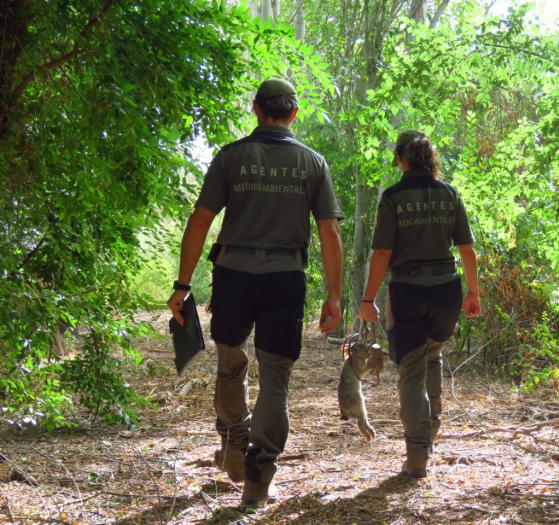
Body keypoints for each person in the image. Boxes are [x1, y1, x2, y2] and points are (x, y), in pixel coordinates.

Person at [167, 78, 343, 507]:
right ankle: (257, 477)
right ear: (293, 114)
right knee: (276, 378)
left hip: (233, 274)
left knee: (231, 362)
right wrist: (334, 295)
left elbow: (200, 219)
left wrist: (182, 284)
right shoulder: (313, 163)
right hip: (286, 277)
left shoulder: (231, 157)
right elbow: (329, 230)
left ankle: (234, 445)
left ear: (256, 108)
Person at [358, 130, 480, 478]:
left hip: (408, 290)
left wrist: (368, 299)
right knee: (433, 356)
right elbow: (466, 250)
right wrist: (473, 292)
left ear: (401, 159)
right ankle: (432, 429)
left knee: (411, 370)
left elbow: (382, 252)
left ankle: (417, 456)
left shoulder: (393, 198)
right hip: (446, 290)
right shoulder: (449, 194)